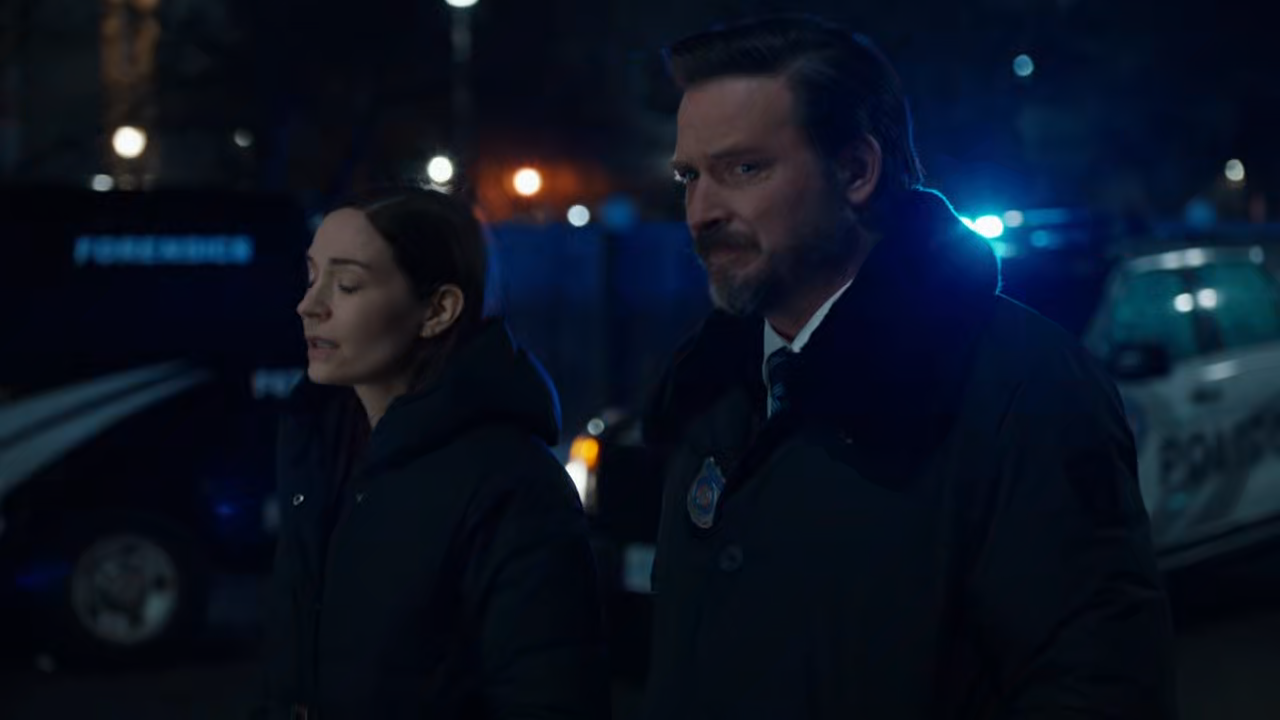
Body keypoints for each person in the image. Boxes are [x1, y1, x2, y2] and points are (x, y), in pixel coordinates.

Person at [640, 15, 1176, 720]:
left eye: (744, 169)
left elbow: (1095, 684)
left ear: (856, 171)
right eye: (689, 176)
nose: (702, 211)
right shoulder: (712, 389)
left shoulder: (1025, 388)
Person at [255, 187, 610, 719]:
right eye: (311, 277)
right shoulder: (318, 443)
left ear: (438, 310)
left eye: (347, 285)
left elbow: (548, 696)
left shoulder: (512, 483)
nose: (309, 306)